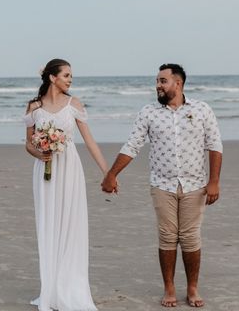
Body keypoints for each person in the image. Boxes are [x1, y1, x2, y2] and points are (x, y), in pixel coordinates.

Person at [101, 63, 223, 308]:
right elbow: (132, 145)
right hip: (162, 184)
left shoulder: (201, 109)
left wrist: (214, 181)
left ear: (178, 83)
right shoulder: (148, 112)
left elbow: (215, 145)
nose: (158, 85)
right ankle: (169, 287)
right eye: (157, 81)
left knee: (190, 238)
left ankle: (191, 288)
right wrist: (111, 174)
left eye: (162, 81)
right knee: (167, 237)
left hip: (195, 184)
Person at [24, 58, 110, 311]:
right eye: (66, 75)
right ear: (52, 77)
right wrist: (40, 154)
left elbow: (90, 142)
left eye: (71, 75)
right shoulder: (34, 107)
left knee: (70, 224)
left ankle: (70, 286)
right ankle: (50, 288)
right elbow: (28, 143)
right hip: (44, 170)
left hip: (70, 169)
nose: (70, 79)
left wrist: (108, 172)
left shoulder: (74, 105)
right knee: (48, 223)